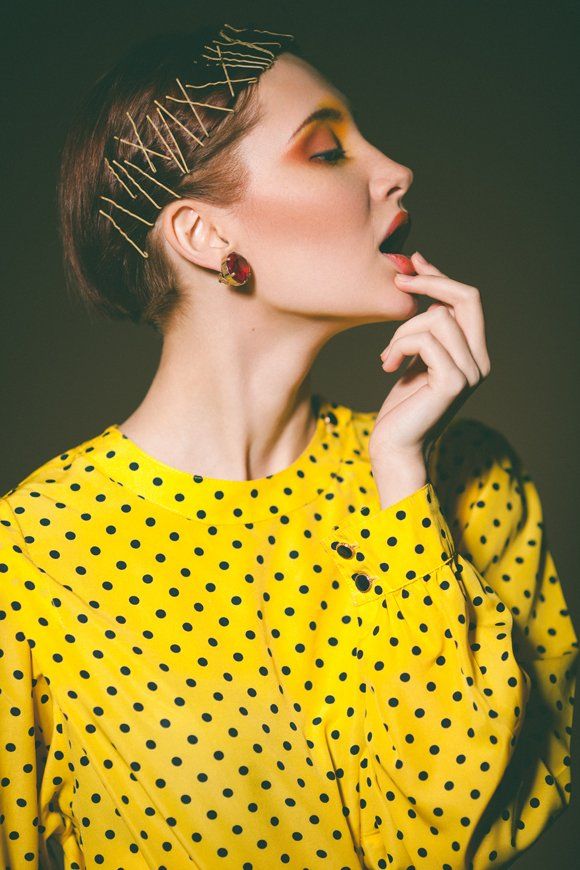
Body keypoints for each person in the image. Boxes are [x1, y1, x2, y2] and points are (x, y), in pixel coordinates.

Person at [1, 21, 577, 870]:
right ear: (205, 237)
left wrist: (402, 482)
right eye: (327, 150)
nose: (396, 170)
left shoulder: (468, 478)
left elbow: (463, 831)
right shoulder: (34, 553)